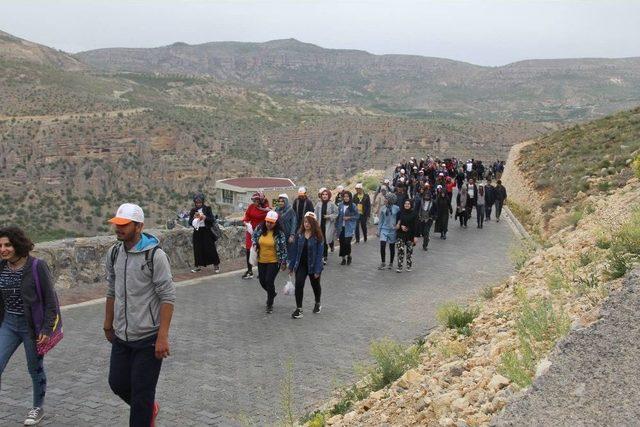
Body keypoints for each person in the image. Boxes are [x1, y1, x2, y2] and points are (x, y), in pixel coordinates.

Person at [104, 203, 176, 427]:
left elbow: (167, 296)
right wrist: (108, 324)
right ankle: (148, 408)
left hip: (148, 338)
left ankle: (144, 410)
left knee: (142, 394)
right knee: (117, 383)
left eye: (124, 225)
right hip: (122, 336)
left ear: (139, 226)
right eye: (117, 224)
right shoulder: (115, 252)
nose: (119, 228)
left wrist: (162, 336)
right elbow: (111, 288)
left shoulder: (155, 255)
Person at [0, 226, 58, 426]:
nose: (3, 249)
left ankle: (37, 408)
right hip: (8, 324)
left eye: (7, 245)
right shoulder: (2, 267)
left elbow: (51, 301)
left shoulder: (36, 266)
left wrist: (46, 329)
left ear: (17, 244)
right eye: (0, 245)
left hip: (31, 328)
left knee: (34, 368)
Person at [288, 212, 324, 319]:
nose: (306, 224)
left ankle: (317, 302)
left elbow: (319, 254)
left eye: (309, 222)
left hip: (313, 266)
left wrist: (317, 270)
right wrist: (291, 266)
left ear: (313, 223)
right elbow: (294, 251)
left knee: (315, 286)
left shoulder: (318, 237)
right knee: (299, 284)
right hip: (301, 265)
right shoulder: (299, 234)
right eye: (305, 222)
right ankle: (299, 309)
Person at [252, 211, 288, 313]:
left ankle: (269, 303)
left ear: (276, 223)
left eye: (271, 222)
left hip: (274, 261)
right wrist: (255, 243)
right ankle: (272, 293)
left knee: (269, 281)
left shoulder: (280, 234)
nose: (269, 224)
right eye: (267, 221)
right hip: (261, 260)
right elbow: (254, 236)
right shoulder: (260, 228)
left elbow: (283, 248)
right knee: (262, 281)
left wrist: (284, 262)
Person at [188, 194, 220, 273]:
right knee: (197, 249)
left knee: (210, 248)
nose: (198, 204)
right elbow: (189, 222)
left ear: (202, 202)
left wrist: (205, 217)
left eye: (200, 203)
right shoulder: (193, 210)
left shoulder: (207, 209)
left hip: (207, 231)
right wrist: (194, 218)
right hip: (197, 231)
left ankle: (216, 265)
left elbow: (212, 219)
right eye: (197, 203)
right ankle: (198, 266)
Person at [241, 192, 270, 279]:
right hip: (250, 232)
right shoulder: (251, 207)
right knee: (248, 250)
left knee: (261, 252)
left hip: (261, 232)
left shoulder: (267, 209)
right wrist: (245, 223)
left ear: (261, 200)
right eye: (254, 200)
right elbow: (247, 216)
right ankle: (250, 271)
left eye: (257, 200)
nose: (255, 202)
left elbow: (270, 221)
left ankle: (262, 271)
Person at [376, 193, 400, 270]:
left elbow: (400, 218)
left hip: (393, 230)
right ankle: (383, 263)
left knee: (391, 247)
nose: (385, 200)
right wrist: (378, 230)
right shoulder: (383, 208)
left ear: (391, 200)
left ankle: (391, 263)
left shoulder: (397, 208)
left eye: (386, 199)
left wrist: (398, 225)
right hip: (384, 229)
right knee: (382, 245)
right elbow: (381, 221)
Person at [314, 189, 338, 264]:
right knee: (320, 241)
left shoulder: (332, 204)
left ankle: (324, 257)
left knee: (325, 242)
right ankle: (321, 256)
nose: (324, 196)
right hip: (319, 226)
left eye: (326, 194)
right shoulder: (318, 204)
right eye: (323, 194)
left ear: (329, 195)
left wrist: (329, 216)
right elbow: (315, 214)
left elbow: (336, 213)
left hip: (328, 226)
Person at [336, 191, 359, 265]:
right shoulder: (340, 205)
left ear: (350, 197)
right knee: (342, 243)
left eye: (347, 196)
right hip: (341, 227)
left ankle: (349, 256)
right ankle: (343, 259)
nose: (346, 198)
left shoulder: (353, 206)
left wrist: (349, 217)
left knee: (347, 243)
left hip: (349, 228)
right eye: (344, 196)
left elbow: (357, 216)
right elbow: (338, 216)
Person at [396, 199, 418, 272]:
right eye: (405, 203)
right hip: (400, 234)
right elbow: (397, 222)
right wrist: (400, 226)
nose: (406, 205)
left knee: (409, 251)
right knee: (400, 250)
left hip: (410, 235)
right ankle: (399, 266)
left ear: (411, 205)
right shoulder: (400, 212)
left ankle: (408, 265)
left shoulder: (414, 214)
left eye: (408, 204)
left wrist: (415, 237)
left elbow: (416, 226)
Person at [275, 194, 297, 258]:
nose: (280, 203)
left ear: (286, 201)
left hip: (288, 235)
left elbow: (294, 223)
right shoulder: (277, 210)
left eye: (282, 201)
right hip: (279, 234)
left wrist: (292, 235)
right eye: (279, 201)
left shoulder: (290, 210)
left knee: (289, 252)